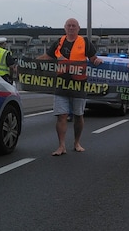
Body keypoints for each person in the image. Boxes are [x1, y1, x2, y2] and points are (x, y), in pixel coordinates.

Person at [42, 18, 102, 156]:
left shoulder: (85, 42)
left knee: (78, 115)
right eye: (68, 25)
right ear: (64, 28)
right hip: (61, 83)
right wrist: (25, 64)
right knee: (61, 115)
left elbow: (93, 58)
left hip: (79, 84)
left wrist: (97, 61)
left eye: (73, 26)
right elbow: (48, 57)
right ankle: (61, 146)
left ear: (78, 28)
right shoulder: (59, 42)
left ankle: (76, 143)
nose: (71, 28)